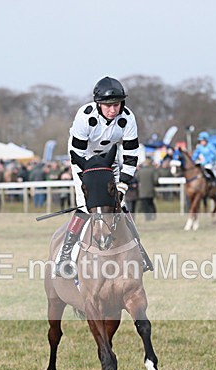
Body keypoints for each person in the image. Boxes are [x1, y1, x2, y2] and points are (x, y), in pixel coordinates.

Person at [56, 76, 152, 278]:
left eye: (117, 105)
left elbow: (131, 155)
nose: (113, 110)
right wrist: (92, 186)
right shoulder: (84, 116)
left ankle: (139, 249)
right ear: (98, 104)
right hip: (83, 160)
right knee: (85, 205)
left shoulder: (128, 118)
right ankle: (65, 256)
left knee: (120, 205)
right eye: (108, 106)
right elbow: (77, 155)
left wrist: (123, 185)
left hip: (109, 159)